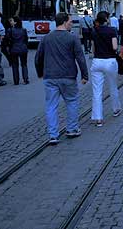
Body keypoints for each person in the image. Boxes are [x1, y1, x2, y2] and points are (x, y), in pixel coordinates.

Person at [35, 12, 88, 145]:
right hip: (68, 76)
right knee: (72, 102)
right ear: (64, 22)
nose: (71, 23)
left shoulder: (46, 38)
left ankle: (53, 135)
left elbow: (38, 57)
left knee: (51, 106)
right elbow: (80, 58)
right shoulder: (72, 38)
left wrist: (40, 72)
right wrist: (84, 75)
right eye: (70, 21)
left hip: (50, 77)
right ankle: (72, 129)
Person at [91, 11, 122, 127]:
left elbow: (93, 49)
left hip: (97, 61)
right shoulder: (112, 30)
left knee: (96, 91)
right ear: (107, 19)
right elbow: (114, 47)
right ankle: (116, 109)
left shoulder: (94, 31)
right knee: (113, 86)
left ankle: (98, 118)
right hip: (109, 61)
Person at [7, 16, 29, 85]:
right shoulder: (23, 30)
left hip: (14, 49)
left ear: (15, 22)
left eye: (12, 21)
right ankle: (25, 79)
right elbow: (26, 39)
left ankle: (16, 81)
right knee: (24, 64)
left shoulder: (10, 30)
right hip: (23, 48)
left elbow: (8, 40)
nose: (10, 22)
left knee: (15, 65)